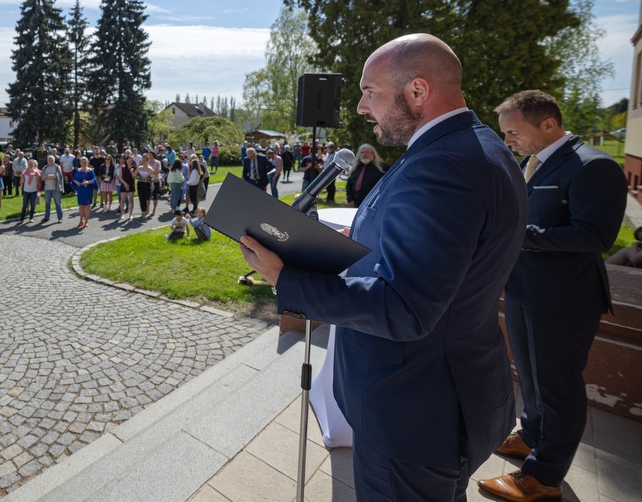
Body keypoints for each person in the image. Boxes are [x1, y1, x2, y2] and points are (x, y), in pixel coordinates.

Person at [239, 34, 527, 501]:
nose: (359, 107)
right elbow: (448, 256)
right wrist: (359, 242)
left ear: (417, 90)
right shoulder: (471, 146)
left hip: (413, 413)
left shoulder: (443, 167)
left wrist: (283, 278)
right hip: (441, 396)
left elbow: (405, 308)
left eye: (369, 92)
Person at [478, 90, 628, 502]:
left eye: (513, 132)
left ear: (548, 124)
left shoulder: (595, 166)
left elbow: (594, 235)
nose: (507, 141)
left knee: (558, 387)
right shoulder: (532, 162)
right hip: (526, 290)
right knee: (531, 378)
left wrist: (514, 235)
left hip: (565, 299)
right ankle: (531, 435)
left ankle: (544, 476)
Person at [345, 143, 389, 208]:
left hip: (374, 205)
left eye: (367, 152)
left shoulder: (382, 168)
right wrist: (350, 200)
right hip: (357, 204)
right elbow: (349, 185)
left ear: (373, 154)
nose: (364, 154)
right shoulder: (355, 168)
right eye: (362, 152)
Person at [72, 157, 97, 228]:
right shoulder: (78, 171)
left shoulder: (90, 171)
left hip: (88, 190)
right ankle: (80, 221)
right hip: (80, 190)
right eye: (82, 162)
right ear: (80, 163)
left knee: (87, 206)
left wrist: (88, 182)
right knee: (81, 206)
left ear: (87, 163)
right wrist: (75, 181)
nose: (83, 163)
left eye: (85, 162)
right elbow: (74, 178)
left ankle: (86, 221)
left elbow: (94, 179)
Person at [40, 155, 64, 223]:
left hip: (56, 188)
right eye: (49, 160)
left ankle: (60, 218)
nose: (50, 161)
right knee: (47, 203)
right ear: (47, 160)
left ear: (54, 160)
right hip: (47, 188)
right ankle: (46, 217)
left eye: (51, 160)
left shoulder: (57, 167)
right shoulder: (45, 167)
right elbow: (42, 178)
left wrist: (47, 176)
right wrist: (50, 176)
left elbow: (56, 176)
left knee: (58, 203)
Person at [117, 155, 136, 220]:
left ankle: (130, 214)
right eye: (128, 160)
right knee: (122, 200)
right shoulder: (122, 167)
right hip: (124, 184)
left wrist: (132, 172)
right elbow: (120, 177)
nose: (130, 162)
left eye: (131, 161)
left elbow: (134, 178)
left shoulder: (134, 168)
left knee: (131, 200)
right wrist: (124, 183)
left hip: (131, 184)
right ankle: (122, 214)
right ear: (126, 160)